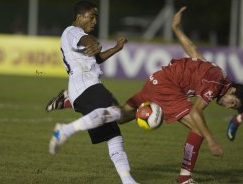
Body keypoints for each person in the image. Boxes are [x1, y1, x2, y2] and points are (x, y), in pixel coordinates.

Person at [47, 7, 243, 184]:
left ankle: (68, 101)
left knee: (120, 117)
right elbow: (198, 112)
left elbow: (192, 51)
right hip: (168, 87)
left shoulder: (216, 73)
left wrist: (176, 29)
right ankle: (184, 177)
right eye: (233, 103)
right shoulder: (217, 83)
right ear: (233, 90)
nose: (229, 106)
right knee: (199, 129)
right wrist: (212, 141)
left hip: (158, 80)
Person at [48, 1, 138, 184]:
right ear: (80, 17)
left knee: (114, 135)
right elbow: (87, 41)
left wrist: (116, 48)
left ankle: (127, 180)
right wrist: (94, 42)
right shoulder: (72, 31)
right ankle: (64, 130)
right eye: (92, 16)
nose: (95, 20)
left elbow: (97, 57)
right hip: (86, 86)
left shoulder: (80, 35)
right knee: (119, 114)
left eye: (96, 16)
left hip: (83, 88)